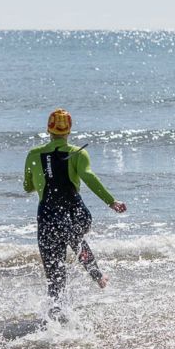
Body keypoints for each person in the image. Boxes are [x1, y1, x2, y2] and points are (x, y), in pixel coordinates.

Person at [23, 109, 127, 313]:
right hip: (74, 212)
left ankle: (56, 314)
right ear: (69, 130)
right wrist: (111, 202)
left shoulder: (34, 155)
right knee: (76, 238)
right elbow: (88, 177)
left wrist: (41, 179)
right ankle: (97, 275)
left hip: (47, 216)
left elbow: (27, 187)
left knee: (54, 275)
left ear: (48, 129)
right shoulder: (77, 153)